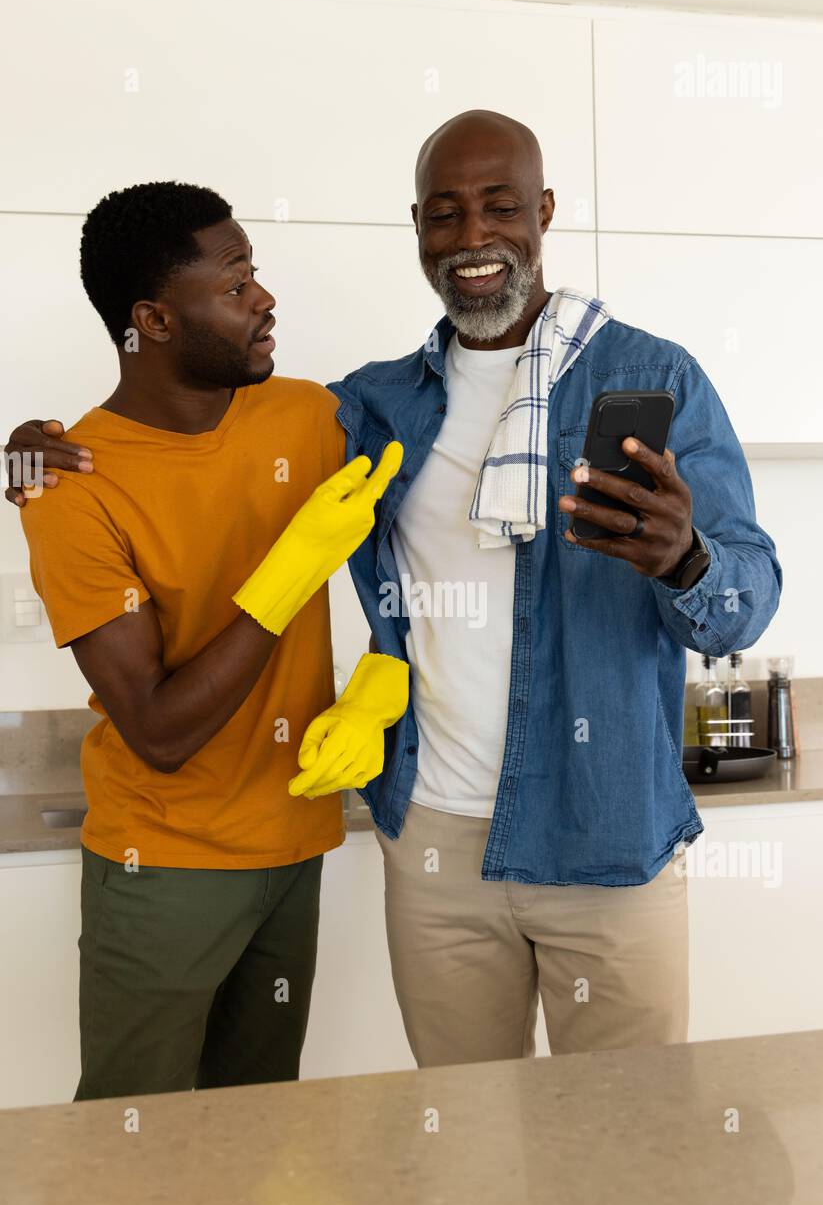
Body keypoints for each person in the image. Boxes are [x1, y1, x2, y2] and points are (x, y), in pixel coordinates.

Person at [6, 111, 782, 1072]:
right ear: (416, 228)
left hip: (605, 835)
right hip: (431, 846)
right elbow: (173, 423)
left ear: (543, 212)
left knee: (630, 1147)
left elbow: (749, 597)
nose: (472, 239)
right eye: (444, 214)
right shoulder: (373, 406)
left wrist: (686, 561)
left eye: (500, 207)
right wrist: (37, 444)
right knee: (463, 1144)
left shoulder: (652, 380)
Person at [7, 181, 406, 1100]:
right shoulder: (72, 486)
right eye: (234, 285)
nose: (263, 300)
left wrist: (384, 680)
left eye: (255, 274)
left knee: (256, 1140)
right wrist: (286, 574)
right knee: (131, 1148)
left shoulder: (308, 417)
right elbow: (159, 730)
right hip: (164, 869)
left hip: (294, 846)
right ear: (151, 318)